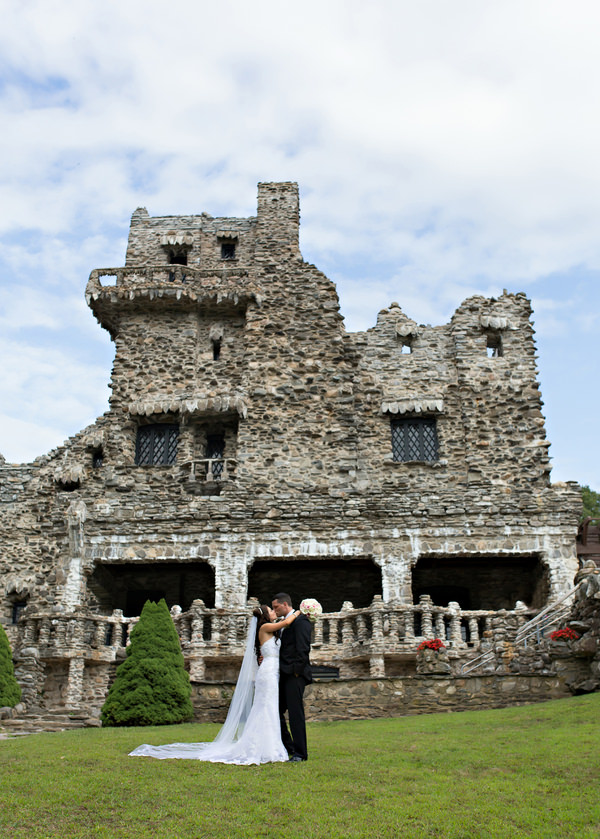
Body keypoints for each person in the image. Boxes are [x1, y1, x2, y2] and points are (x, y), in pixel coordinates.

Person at [129, 604, 298, 764]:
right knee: (265, 707)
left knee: (268, 707)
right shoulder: (264, 628)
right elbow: (287, 621)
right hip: (268, 673)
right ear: (265, 616)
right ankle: (265, 747)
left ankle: (268, 744)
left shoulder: (270, 631)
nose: (274, 612)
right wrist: (300, 611)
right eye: (271, 610)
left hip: (272, 671)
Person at [272, 592, 313, 762]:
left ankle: (300, 754)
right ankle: (288, 747)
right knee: (276, 711)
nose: (275, 610)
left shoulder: (301, 621)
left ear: (285, 604)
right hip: (283, 674)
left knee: (296, 714)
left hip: (295, 675)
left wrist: (296, 671)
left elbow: (303, 648)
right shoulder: (282, 623)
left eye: (276, 607)